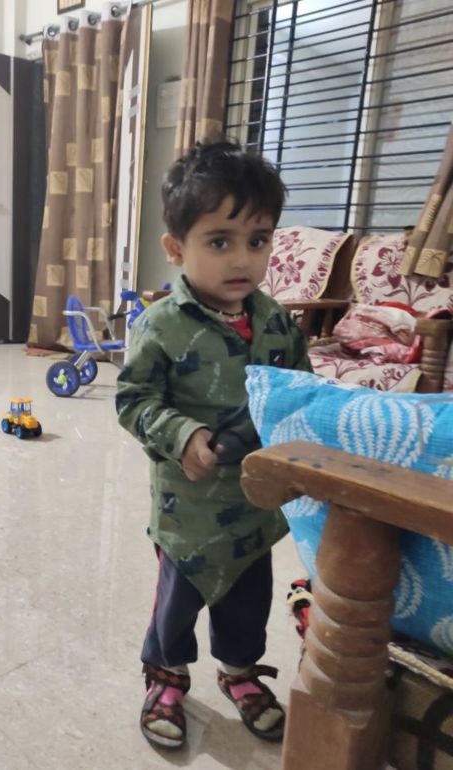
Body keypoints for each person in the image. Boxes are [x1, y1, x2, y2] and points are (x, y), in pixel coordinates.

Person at [116, 141, 312, 750]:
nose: (243, 258)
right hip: (188, 511)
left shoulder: (278, 323)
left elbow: (300, 391)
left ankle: (240, 673)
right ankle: (166, 675)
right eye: (220, 240)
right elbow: (133, 400)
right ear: (177, 248)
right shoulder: (160, 325)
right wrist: (183, 435)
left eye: (258, 239)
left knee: (247, 603)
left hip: (255, 511)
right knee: (177, 604)